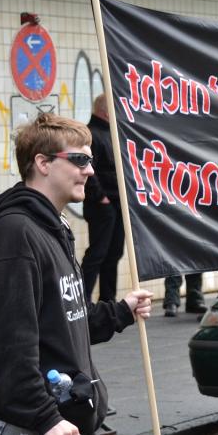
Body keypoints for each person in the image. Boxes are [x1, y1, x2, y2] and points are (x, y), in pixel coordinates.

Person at [0, 113, 152, 435]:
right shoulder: (15, 234)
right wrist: (46, 418)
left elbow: (65, 319)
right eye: (80, 159)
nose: (90, 170)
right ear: (43, 163)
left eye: (91, 160)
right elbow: (9, 343)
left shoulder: (53, 226)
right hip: (30, 426)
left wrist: (121, 311)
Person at [81, 94, 125, 302]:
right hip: (103, 205)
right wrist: (101, 197)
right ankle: (82, 300)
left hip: (116, 204)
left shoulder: (112, 134)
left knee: (114, 254)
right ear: (105, 111)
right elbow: (89, 170)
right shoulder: (91, 135)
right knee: (97, 254)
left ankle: (108, 300)